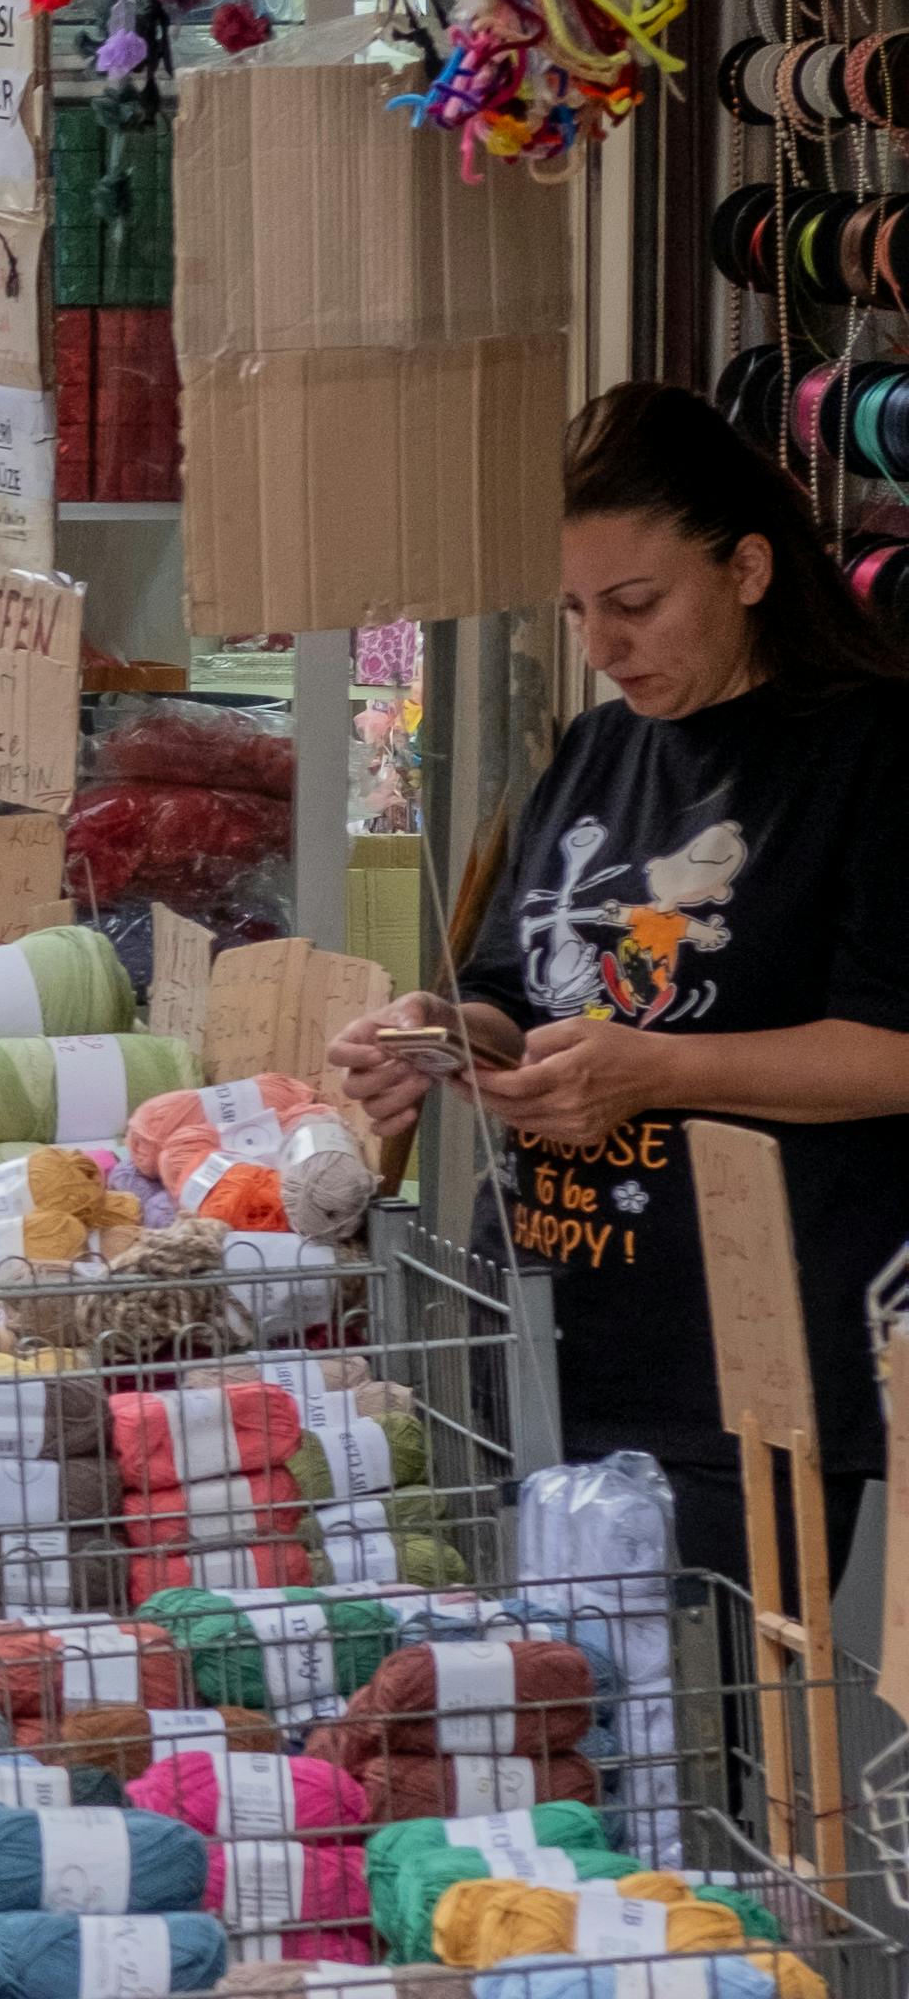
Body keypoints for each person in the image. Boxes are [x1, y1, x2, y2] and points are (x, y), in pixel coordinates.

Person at [330, 378, 909, 1592]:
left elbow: (891, 1048)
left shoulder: (870, 753)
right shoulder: (598, 747)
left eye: (637, 604)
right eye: (580, 608)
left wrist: (657, 1070)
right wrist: (433, 1033)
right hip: (542, 1331)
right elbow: (510, 991)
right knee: (553, 1738)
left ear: (747, 568)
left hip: (742, 1372)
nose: (604, 647)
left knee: (695, 1750)